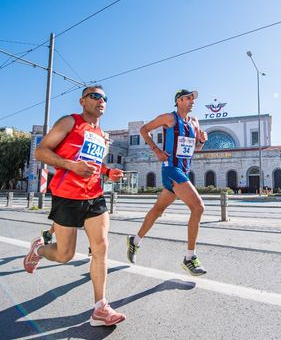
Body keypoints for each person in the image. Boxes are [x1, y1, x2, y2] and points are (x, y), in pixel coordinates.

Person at [24, 85, 126, 327]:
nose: (101, 101)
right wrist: (71, 166)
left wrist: (108, 171)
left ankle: (100, 308)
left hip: (94, 196)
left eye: (105, 98)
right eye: (95, 96)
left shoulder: (101, 134)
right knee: (64, 254)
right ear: (82, 101)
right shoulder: (70, 122)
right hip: (66, 195)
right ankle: (37, 251)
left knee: (101, 248)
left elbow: (93, 164)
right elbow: (41, 152)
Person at [126, 89, 208, 276]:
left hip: (184, 170)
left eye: (193, 98)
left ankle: (135, 241)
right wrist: (156, 150)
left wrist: (202, 142)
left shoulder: (195, 122)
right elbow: (143, 130)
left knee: (158, 210)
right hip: (171, 169)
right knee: (198, 207)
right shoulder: (169, 118)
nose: (192, 101)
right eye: (188, 98)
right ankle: (189, 258)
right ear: (179, 101)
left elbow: (196, 148)